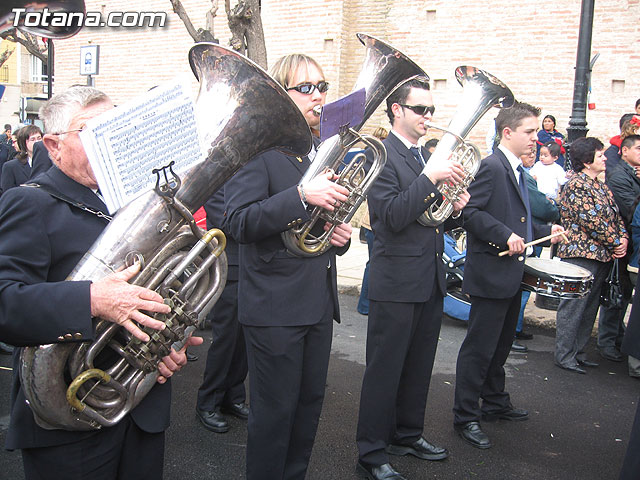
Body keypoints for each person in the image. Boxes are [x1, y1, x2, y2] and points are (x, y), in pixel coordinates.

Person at [0, 86, 201, 479]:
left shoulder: (140, 203)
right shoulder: (30, 203)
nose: (116, 141)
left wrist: (168, 342)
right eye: (96, 130)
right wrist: (91, 299)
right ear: (55, 145)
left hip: (139, 403)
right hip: (67, 423)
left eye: (119, 128)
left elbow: (165, 289)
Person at [225, 54, 352, 480]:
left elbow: (314, 228)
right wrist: (301, 195)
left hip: (316, 303)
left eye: (322, 87)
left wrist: (337, 237)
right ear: (281, 93)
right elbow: (237, 222)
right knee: (274, 415)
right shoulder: (257, 149)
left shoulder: (319, 151)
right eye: (306, 88)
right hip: (274, 308)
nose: (318, 96)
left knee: (308, 406)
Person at [355, 77, 469, 480]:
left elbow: (429, 219)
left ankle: (407, 433)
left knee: (419, 366)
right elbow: (389, 218)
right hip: (396, 281)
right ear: (397, 110)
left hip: (428, 277)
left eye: (431, 110)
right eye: (421, 109)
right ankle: (370, 451)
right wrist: (431, 179)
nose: (429, 117)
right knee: (384, 369)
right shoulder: (381, 155)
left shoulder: (423, 156)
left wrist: (453, 205)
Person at [453, 101, 563, 450]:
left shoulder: (516, 170)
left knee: (500, 346)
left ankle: (495, 402)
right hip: (490, 274)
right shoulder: (491, 166)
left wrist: (546, 228)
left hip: (511, 274)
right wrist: (503, 236)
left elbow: (516, 217)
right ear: (508, 133)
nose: (536, 138)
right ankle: (465, 416)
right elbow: (468, 212)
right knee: (479, 349)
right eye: (530, 132)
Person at [554, 137, 628, 374]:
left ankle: (578, 352)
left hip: (601, 256)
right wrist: (616, 242)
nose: (606, 158)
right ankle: (564, 355)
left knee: (590, 307)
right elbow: (590, 220)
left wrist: (622, 238)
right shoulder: (577, 185)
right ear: (587, 161)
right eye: (600, 154)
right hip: (580, 254)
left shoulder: (601, 186)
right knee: (574, 307)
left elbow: (616, 217)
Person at [194, 186, 249, 433]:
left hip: (254, 267)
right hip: (231, 266)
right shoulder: (226, 177)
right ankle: (209, 401)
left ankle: (234, 396)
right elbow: (224, 221)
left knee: (246, 340)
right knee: (226, 340)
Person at [598, 131, 640, 363]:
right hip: (621, 242)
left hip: (630, 244)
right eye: (638, 149)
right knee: (615, 293)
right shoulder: (618, 176)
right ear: (624, 151)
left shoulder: (633, 174)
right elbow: (631, 209)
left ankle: (617, 336)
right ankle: (607, 341)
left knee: (623, 295)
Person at [513, 148, 560, 350]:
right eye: (529, 152)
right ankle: (513, 330)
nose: (533, 154)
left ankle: (515, 328)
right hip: (520, 244)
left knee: (522, 290)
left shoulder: (524, 174)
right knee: (521, 291)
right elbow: (539, 206)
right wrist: (553, 210)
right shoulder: (521, 175)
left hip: (531, 235)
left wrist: (547, 231)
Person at [357, 126, 388, 316]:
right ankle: (365, 305)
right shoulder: (373, 157)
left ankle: (366, 305)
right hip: (371, 222)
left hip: (371, 222)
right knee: (373, 264)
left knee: (373, 263)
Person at [0, 125, 42, 192]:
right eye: (32, 139)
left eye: (39, 138)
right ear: (24, 142)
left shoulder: (51, 163)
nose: (37, 142)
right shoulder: (11, 167)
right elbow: (8, 195)